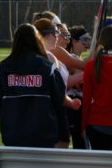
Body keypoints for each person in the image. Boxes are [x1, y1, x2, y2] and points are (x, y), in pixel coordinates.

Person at [0, 24, 66, 147]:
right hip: (44, 136)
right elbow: (59, 102)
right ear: (37, 40)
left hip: (12, 135)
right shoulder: (48, 67)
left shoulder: (3, 69)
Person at [33, 18, 81, 148]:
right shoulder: (49, 56)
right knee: (58, 149)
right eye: (56, 33)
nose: (58, 37)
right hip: (53, 112)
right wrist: (71, 103)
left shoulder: (37, 55)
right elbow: (57, 91)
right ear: (48, 35)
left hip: (38, 113)